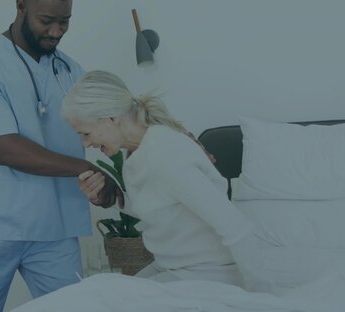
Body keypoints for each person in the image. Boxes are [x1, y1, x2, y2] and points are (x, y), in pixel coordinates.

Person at [0, 0, 122, 312]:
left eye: (65, 22)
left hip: (53, 227)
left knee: (75, 308)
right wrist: (83, 167)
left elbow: (114, 124)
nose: (56, 31)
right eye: (47, 20)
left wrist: (106, 184)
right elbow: (5, 149)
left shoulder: (71, 72)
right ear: (20, 7)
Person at [60, 70, 256, 286]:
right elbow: (163, 207)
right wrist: (112, 198)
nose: (85, 145)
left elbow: (236, 227)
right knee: (101, 293)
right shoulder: (136, 152)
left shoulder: (166, 152)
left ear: (111, 118)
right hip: (173, 268)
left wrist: (262, 295)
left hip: (206, 274)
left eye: (86, 133)